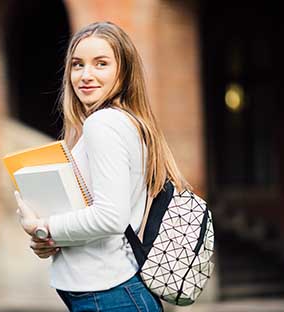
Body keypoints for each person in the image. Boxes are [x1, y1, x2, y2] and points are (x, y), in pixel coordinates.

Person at [14, 21, 190, 312]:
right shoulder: (121, 121)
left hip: (110, 295)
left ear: (124, 71)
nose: (86, 75)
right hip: (109, 292)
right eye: (77, 65)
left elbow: (111, 217)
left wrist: (45, 228)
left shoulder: (103, 124)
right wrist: (50, 241)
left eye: (101, 64)